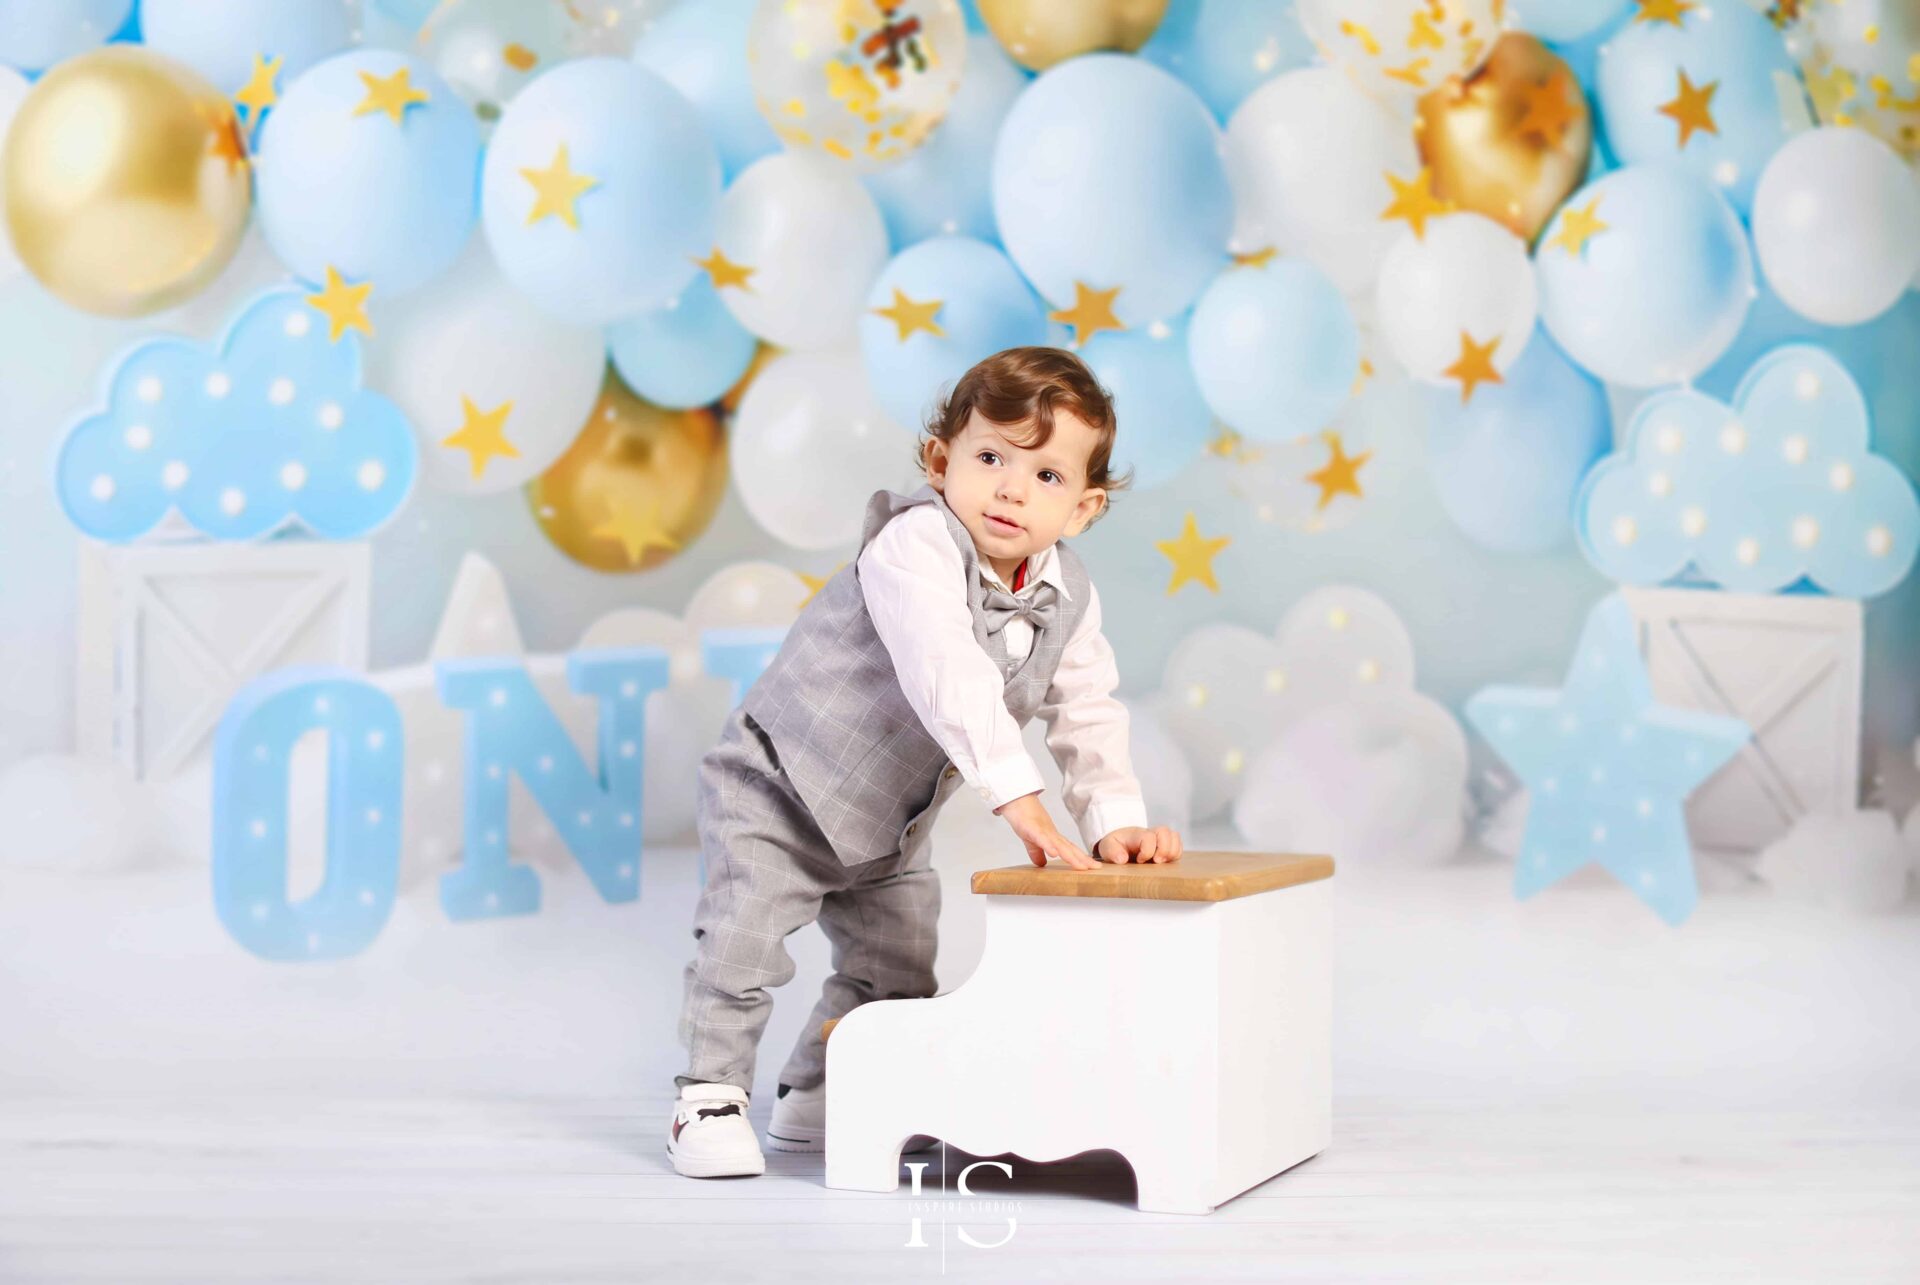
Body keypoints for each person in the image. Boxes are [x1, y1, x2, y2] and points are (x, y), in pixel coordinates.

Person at [667, 346, 1184, 1178]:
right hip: (780, 780)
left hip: (886, 817)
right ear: (942, 461)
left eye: (1047, 476)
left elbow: (1086, 706)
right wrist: (1020, 799)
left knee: (897, 967)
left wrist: (1115, 821)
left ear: (1084, 508)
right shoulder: (916, 543)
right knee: (743, 939)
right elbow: (949, 671)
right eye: (990, 459)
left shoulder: (1068, 594)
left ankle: (820, 1092)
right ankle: (709, 1095)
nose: (1012, 489)